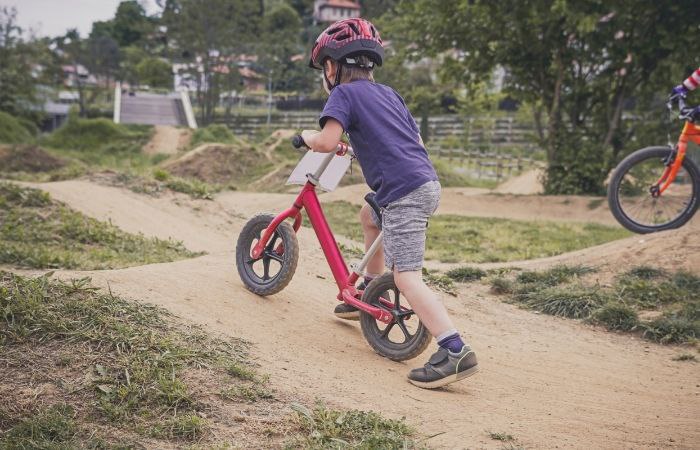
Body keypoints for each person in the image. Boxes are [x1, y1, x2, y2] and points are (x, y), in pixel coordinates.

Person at [300, 18, 478, 389]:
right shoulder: (390, 93)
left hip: (404, 192)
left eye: (323, 69)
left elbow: (326, 142)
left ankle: (454, 349)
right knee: (369, 215)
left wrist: (305, 136)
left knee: (407, 276)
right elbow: (415, 140)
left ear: (332, 66)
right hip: (423, 181)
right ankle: (366, 289)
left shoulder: (342, 95)